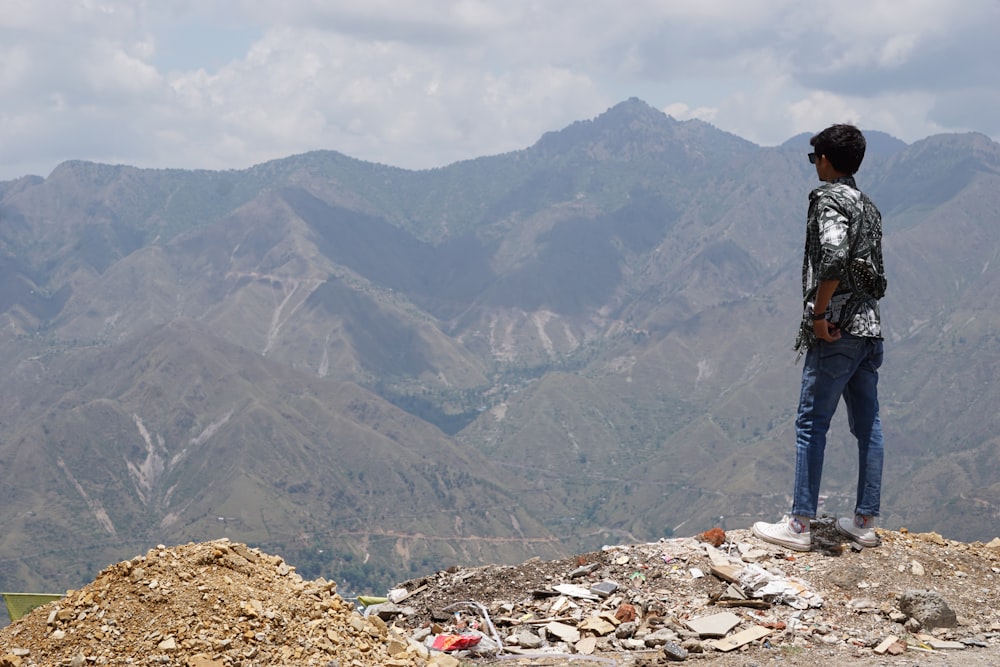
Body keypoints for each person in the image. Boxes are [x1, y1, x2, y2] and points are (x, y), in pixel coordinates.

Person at [752, 124, 886, 551]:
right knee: (868, 426)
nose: (815, 167)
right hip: (870, 329)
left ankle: (798, 525)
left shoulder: (827, 199)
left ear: (826, 160)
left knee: (812, 423)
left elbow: (831, 258)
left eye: (815, 159)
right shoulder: (868, 205)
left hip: (838, 330)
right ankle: (863, 521)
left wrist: (819, 314)